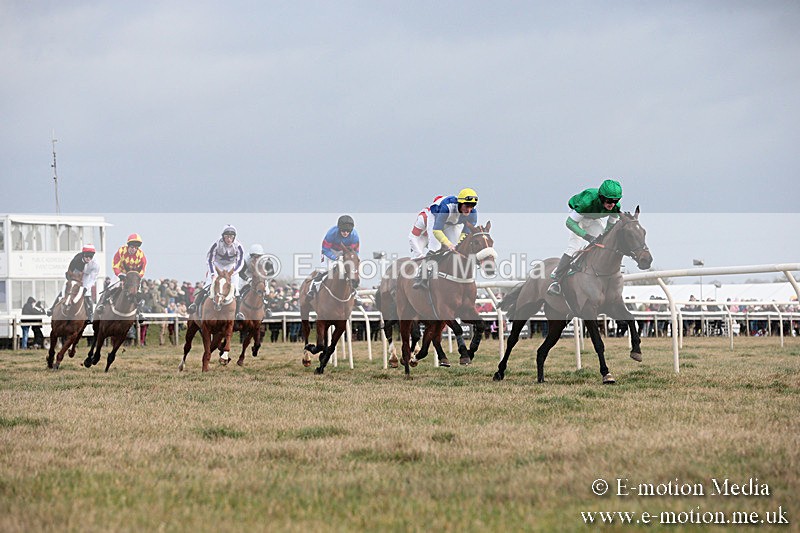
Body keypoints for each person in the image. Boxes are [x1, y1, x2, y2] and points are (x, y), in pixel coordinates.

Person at [547, 179, 623, 296]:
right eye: (609, 200)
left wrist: (602, 238)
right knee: (574, 248)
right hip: (578, 218)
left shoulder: (616, 207)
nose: (612, 204)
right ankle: (556, 279)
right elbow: (569, 223)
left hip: (593, 219)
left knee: (603, 243)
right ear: (601, 197)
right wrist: (587, 237)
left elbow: (610, 226)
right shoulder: (587, 201)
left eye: (615, 201)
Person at [413, 188, 479, 289]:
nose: (469, 210)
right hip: (435, 217)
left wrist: (457, 245)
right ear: (460, 203)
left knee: (456, 249)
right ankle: (421, 276)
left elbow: (465, 232)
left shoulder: (473, 214)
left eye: (472, 206)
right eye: (466, 206)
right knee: (435, 247)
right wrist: (448, 244)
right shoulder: (446, 207)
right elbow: (437, 230)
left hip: (453, 223)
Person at [187, 225, 244, 315]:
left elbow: (240, 262)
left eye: (231, 237)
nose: (229, 239)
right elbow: (209, 260)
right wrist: (213, 273)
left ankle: (238, 313)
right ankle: (194, 305)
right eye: (227, 237)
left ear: (234, 237)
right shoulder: (216, 244)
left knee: (236, 289)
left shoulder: (239, 246)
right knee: (208, 285)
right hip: (217, 266)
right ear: (223, 237)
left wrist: (233, 272)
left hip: (231, 268)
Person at [307, 215, 360, 299]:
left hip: (344, 252)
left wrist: (352, 260)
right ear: (339, 229)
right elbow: (325, 249)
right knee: (324, 269)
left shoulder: (354, 236)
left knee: (351, 271)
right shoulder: (331, 233)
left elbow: (355, 252)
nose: (345, 233)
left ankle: (355, 294)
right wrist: (335, 258)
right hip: (329, 251)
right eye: (343, 231)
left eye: (348, 231)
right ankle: (312, 290)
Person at [96, 234, 147, 319]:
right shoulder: (121, 251)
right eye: (132, 247)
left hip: (133, 276)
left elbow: (143, 269)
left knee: (138, 291)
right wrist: (119, 275)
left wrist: (137, 276)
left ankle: (139, 312)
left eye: (135, 247)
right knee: (111, 287)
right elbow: (115, 265)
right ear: (128, 246)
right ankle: (102, 304)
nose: (133, 249)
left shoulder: (141, 255)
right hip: (121, 273)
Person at [47, 244, 100, 322]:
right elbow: (70, 270)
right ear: (83, 254)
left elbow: (92, 279)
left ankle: (90, 314)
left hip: (87, 277)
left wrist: (86, 288)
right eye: (87, 256)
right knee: (65, 289)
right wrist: (69, 279)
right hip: (76, 274)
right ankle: (52, 308)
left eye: (91, 257)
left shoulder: (96, 265)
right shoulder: (76, 259)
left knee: (87, 294)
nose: (88, 258)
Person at [236, 243, 274, 320]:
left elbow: (271, 273)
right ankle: (238, 312)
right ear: (251, 256)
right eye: (254, 257)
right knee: (237, 290)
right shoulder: (246, 260)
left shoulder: (267, 261)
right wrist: (247, 279)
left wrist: (264, 279)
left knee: (267, 291)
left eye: (258, 256)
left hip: (261, 276)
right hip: (247, 274)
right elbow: (240, 272)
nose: (256, 259)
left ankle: (267, 308)